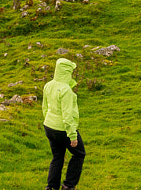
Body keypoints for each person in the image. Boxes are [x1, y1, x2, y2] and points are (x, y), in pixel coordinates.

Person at [42, 56, 85, 190]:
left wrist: (49, 122)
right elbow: (67, 115)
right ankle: (68, 185)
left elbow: (45, 107)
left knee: (57, 157)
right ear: (67, 72)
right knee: (79, 154)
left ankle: (51, 187)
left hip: (49, 126)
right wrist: (72, 136)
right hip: (63, 129)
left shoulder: (48, 85)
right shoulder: (66, 90)